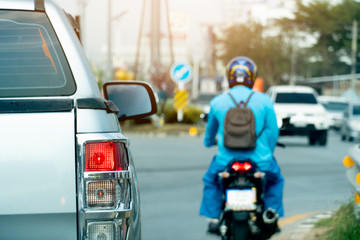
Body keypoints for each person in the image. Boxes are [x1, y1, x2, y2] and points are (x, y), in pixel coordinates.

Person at [199, 56, 284, 233]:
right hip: (260, 161)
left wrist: (209, 142)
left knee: (211, 180)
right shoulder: (265, 101)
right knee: (275, 180)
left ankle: (215, 217)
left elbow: (210, 134)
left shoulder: (217, 102)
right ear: (252, 77)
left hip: (226, 161)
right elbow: (272, 132)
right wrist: (267, 152)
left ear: (229, 76)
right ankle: (271, 211)